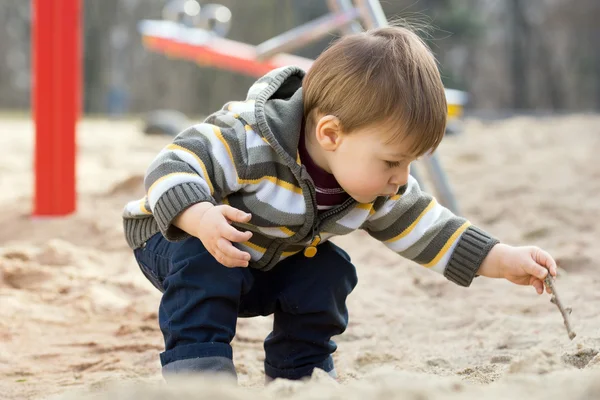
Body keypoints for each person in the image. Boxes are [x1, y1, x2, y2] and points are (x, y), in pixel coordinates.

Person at [122, 26, 557, 382]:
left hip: (261, 264)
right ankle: (200, 376)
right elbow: (171, 164)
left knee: (328, 268)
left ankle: (300, 375)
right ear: (331, 134)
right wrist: (199, 217)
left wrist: (502, 259)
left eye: (408, 164)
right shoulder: (249, 139)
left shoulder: (370, 188)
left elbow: (431, 228)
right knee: (205, 261)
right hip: (173, 240)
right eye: (392, 161)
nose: (401, 178)